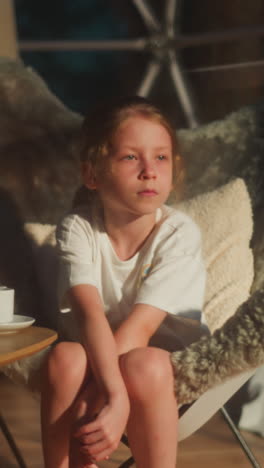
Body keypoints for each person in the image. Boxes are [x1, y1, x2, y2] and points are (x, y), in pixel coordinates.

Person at [40, 96, 206, 468]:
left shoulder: (179, 233)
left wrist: (95, 399)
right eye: (131, 157)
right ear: (93, 175)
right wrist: (108, 393)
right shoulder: (77, 228)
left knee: (141, 364)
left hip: (166, 370)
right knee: (65, 356)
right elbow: (89, 315)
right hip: (102, 360)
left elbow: (140, 329)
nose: (149, 170)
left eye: (161, 157)